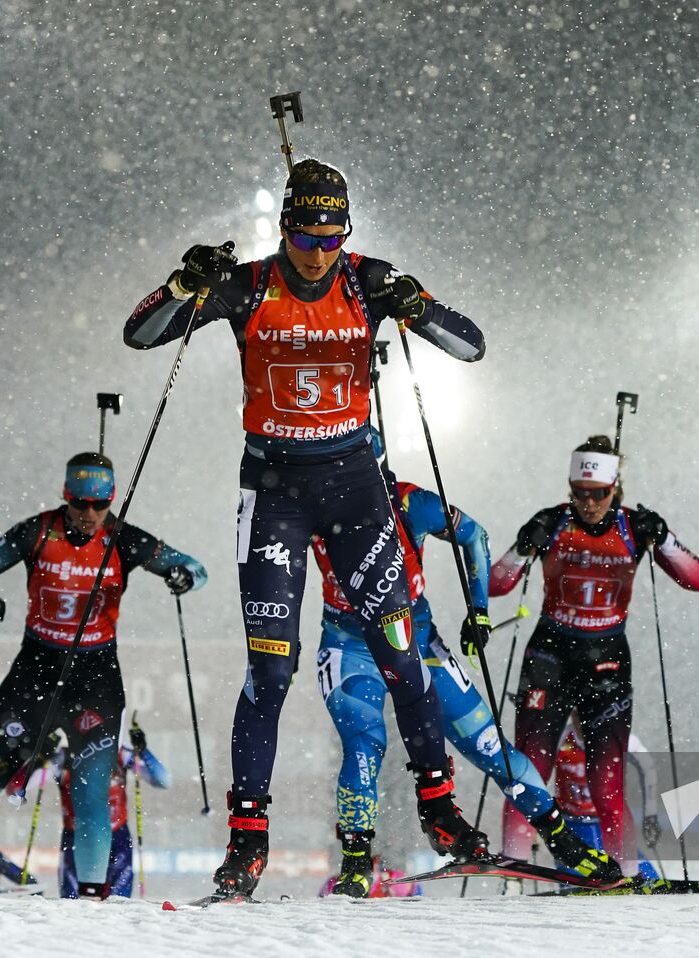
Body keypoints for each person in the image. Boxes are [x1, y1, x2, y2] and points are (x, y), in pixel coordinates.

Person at [123, 157, 489, 899]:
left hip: (355, 483)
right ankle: (247, 844)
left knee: (398, 646)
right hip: (275, 489)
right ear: (284, 224)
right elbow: (141, 334)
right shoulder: (251, 283)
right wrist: (183, 284)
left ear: (345, 230)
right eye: (303, 233)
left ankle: (440, 808)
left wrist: (415, 302)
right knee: (272, 669)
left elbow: (470, 345)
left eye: (330, 235)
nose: (316, 251)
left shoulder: (368, 280)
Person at [0, 453, 207, 899]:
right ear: (65, 494)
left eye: (99, 503)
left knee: (91, 799)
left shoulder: (122, 538)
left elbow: (194, 568)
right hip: (34, 673)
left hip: (96, 680)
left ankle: (91, 898)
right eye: (79, 502)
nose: (89, 514)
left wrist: (184, 576)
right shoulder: (37, 531)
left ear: (110, 500)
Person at [311, 436, 621, 896]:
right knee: (364, 744)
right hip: (350, 645)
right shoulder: (312, 508)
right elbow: (274, 567)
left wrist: (478, 610)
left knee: (488, 744)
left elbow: (473, 534)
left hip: (415, 637)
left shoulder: (409, 501)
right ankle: (357, 858)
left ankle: (563, 840)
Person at [492, 436, 699, 870]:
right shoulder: (552, 523)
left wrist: (663, 540)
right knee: (527, 776)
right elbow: (497, 585)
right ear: (570, 487)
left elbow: (697, 579)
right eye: (580, 493)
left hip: (605, 661)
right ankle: (512, 874)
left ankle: (621, 874)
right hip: (550, 656)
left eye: (599, 494)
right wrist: (520, 546)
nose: (589, 503)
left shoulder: (633, 527)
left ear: (615, 488)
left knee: (606, 785)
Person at [47, 717, 169, 898]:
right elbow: (17, 789)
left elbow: (163, 780)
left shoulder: (120, 752)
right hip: (77, 837)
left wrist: (143, 751)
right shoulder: (64, 756)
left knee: (117, 906)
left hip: (117, 837)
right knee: (72, 907)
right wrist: (41, 753)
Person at [554, 717, 662, 884]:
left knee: (645, 877)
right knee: (582, 879)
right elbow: (535, 776)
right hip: (572, 825)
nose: (583, 719)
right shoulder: (560, 735)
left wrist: (651, 814)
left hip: (609, 823)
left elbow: (649, 769)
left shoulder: (621, 738)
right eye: (577, 713)